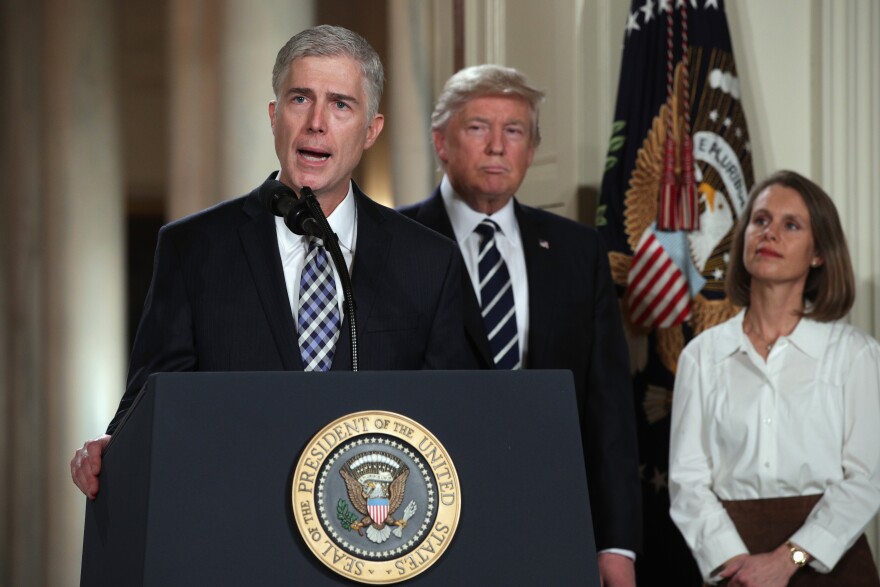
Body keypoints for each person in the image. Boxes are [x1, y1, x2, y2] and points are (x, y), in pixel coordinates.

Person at [71, 25, 474, 499]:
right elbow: (151, 400)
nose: (316, 123)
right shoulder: (193, 249)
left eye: (341, 104)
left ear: (371, 131)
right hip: (236, 522)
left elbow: (459, 416)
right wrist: (112, 445)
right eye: (300, 99)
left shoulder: (429, 260)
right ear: (273, 115)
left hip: (372, 533)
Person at [399, 64, 642, 587]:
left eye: (514, 132)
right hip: (423, 515)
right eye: (478, 128)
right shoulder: (391, 243)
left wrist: (616, 543)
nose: (496, 147)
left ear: (531, 150)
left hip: (550, 515)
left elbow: (609, 409)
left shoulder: (578, 252)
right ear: (441, 142)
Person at [668, 170, 880, 586]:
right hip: (734, 566)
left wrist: (788, 560)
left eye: (791, 225)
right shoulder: (701, 356)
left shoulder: (854, 354)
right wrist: (736, 563)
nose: (769, 234)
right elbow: (687, 481)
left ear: (819, 253)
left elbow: (866, 478)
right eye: (760, 220)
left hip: (831, 563)